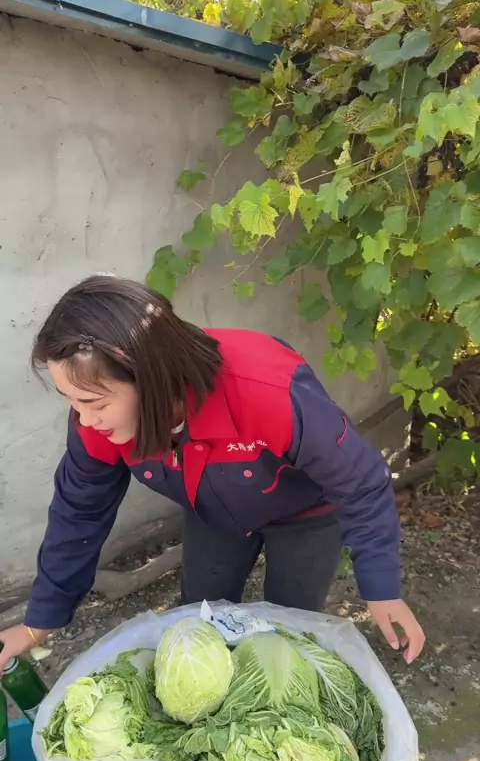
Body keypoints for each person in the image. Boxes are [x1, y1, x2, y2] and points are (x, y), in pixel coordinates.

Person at [0, 275, 425, 673]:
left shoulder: (268, 390)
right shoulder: (95, 425)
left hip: (306, 514)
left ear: (153, 380)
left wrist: (381, 588)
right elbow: (79, 511)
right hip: (213, 514)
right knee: (197, 619)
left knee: (290, 627)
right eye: (72, 401)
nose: (84, 420)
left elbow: (360, 481)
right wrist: (40, 621)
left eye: (95, 403)